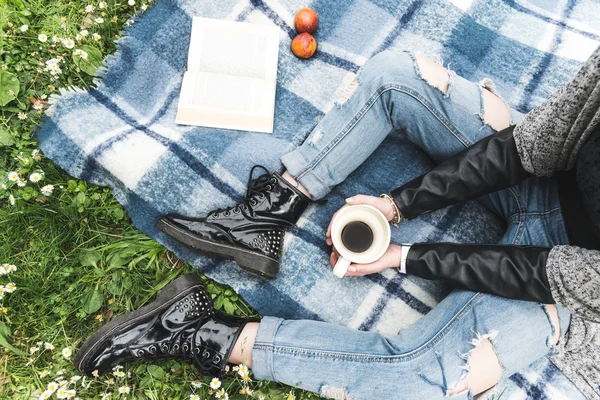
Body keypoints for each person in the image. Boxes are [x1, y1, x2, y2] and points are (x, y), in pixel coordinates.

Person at [74, 47, 600, 399]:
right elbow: (534, 146)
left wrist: (404, 257)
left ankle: (201, 330)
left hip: (570, 295)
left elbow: (549, 274)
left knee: (425, 378)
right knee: (400, 76)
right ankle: (269, 212)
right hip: (546, 177)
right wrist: (394, 207)